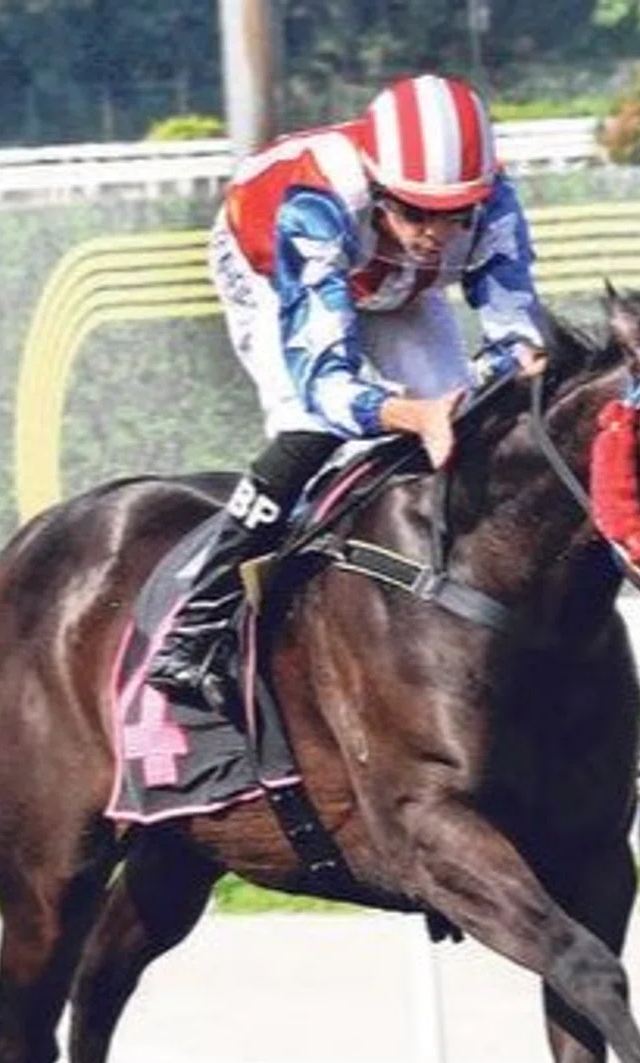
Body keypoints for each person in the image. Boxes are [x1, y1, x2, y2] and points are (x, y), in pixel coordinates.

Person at [147, 73, 549, 712]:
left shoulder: (495, 201)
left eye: (456, 214)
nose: (437, 234)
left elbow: (519, 338)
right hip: (270, 270)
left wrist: (487, 385)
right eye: (416, 210)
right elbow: (327, 386)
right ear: (381, 186)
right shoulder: (315, 201)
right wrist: (414, 413)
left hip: (394, 284)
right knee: (312, 431)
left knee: (470, 432)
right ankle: (195, 620)